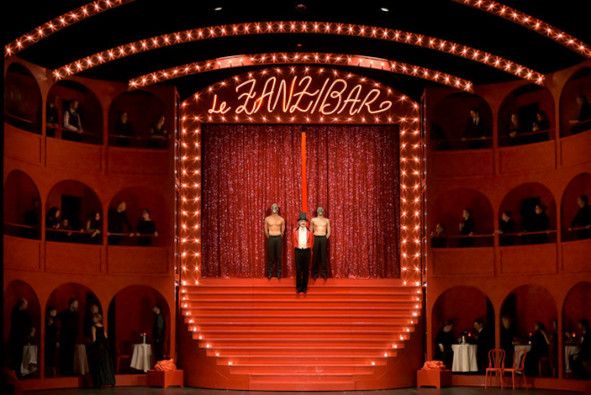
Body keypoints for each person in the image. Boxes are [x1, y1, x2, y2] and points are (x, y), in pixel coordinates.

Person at [88, 313, 115, 388]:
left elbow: (94, 339)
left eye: (94, 318)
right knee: (106, 365)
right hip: (104, 348)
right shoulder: (102, 327)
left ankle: (99, 382)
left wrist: (90, 343)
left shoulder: (93, 327)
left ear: (97, 318)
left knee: (99, 365)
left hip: (98, 348)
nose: (93, 319)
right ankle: (109, 381)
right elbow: (106, 336)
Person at [9, 298, 33, 377]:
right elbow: (20, 326)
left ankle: (17, 372)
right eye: (26, 304)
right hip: (16, 337)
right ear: (22, 304)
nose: (27, 306)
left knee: (18, 355)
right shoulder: (17, 313)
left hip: (18, 337)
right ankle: (15, 373)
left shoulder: (19, 312)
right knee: (16, 355)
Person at [293, 212, 313, 294]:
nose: (303, 222)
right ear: (299, 222)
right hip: (298, 251)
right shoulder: (294, 230)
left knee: (305, 270)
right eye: (301, 221)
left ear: (306, 222)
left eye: (304, 221)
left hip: (306, 251)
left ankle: (304, 287)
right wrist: (296, 247)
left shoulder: (310, 231)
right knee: (298, 269)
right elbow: (294, 240)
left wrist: (308, 248)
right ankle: (298, 287)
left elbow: (311, 242)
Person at [264, 203, 285, 279]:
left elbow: (283, 230)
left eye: (276, 207)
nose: (274, 208)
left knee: (279, 256)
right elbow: (266, 230)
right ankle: (270, 273)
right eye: (273, 207)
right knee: (271, 256)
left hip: (278, 237)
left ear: (278, 209)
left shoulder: (281, 219)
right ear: (271, 208)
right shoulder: (267, 219)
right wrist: (270, 236)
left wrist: (279, 235)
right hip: (271, 238)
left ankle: (279, 273)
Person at [59, 298, 79, 376]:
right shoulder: (64, 313)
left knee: (71, 354)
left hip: (72, 337)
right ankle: (64, 371)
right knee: (64, 353)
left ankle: (70, 371)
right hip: (64, 337)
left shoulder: (76, 314)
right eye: (76, 303)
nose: (77, 305)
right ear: (71, 304)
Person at [311, 207, 330, 280]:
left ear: (323, 211)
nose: (320, 211)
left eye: (321, 210)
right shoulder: (313, 220)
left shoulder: (327, 220)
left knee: (323, 256)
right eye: (319, 210)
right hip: (315, 238)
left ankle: (324, 273)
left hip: (323, 238)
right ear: (317, 211)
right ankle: (314, 274)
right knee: (315, 255)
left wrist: (326, 237)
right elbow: (311, 230)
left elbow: (328, 230)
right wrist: (312, 238)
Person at [45, 307, 59, 377]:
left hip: (53, 340)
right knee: (48, 356)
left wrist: (57, 341)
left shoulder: (56, 320)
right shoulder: (46, 320)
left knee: (53, 356)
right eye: (54, 311)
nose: (55, 313)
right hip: (48, 340)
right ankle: (48, 372)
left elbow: (57, 331)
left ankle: (53, 373)